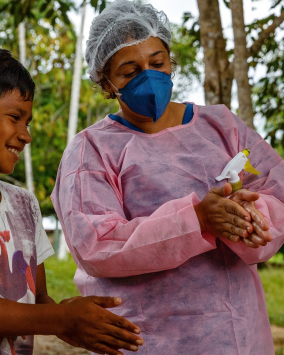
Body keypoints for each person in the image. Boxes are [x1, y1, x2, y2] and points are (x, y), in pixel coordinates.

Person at [51, 1, 284, 354]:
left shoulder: (221, 126)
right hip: (148, 337)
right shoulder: (91, 151)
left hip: (237, 333)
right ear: (105, 82)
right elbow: (96, 244)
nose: (149, 77)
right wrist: (198, 220)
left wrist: (247, 218)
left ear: (170, 61)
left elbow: (275, 190)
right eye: (129, 72)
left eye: (157, 63)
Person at [0, 42, 144, 355]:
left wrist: (74, 321)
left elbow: (38, 298)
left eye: (27, 122)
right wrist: (58, 319)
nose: (26, 134)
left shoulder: (24, 204)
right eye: (14, 117)